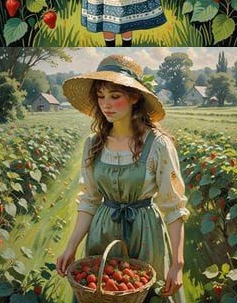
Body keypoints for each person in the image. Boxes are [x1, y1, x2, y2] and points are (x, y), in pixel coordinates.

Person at [57, 55, 187, 301]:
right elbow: (89, 200)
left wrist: (178, 264)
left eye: (115, 96)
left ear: (135, 97)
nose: (106, 104)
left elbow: (174, 206)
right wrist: (71, 247)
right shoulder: (93, 145)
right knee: (103, 292)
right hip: (102, 231)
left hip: (146, 234)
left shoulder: (158, 145)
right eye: (101, 96)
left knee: (146, 293)